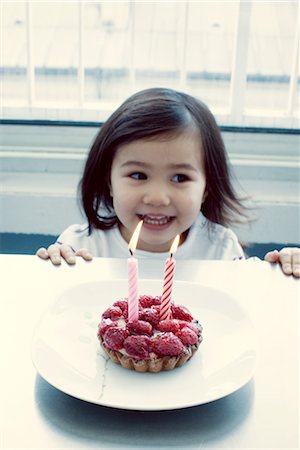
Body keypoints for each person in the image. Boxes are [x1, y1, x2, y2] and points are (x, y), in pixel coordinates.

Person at [36, 87, 300, 277]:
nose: (157, 198)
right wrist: (55, 268)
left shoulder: (219, 249)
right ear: (109, 180)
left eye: (180, 178)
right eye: (138, 175)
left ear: (207, 187)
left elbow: (249, 302)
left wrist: (282, 269)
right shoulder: (82, 245)